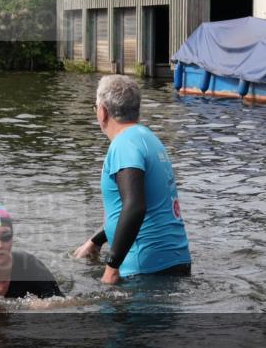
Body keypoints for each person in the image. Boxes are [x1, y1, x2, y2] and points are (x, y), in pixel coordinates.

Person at [73, 75, 191, 284]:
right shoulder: (148, 139)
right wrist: (96, 240)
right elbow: (138, 204)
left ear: (102, 112)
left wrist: (111, 267)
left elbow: (135, 206)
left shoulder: (123, 145)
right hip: (175, 261)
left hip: (143, 269)